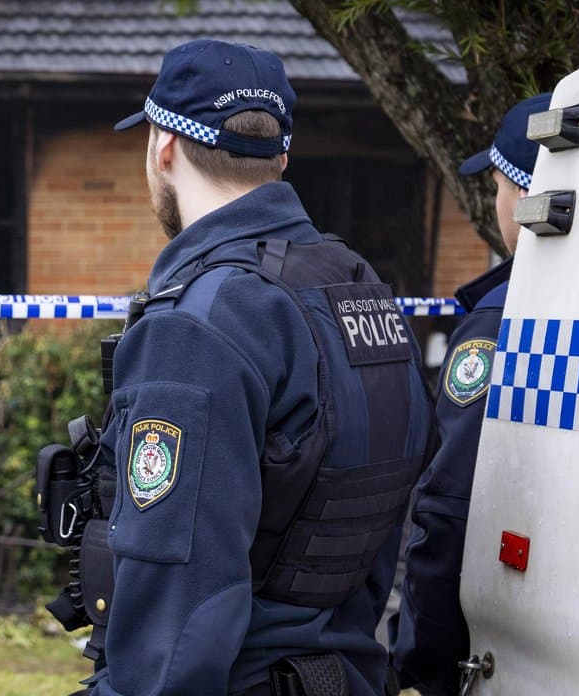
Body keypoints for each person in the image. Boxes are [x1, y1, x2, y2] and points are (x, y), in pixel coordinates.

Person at [85, 39, 434, 696]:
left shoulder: (197, 325)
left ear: (162, 147)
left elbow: (174, 612)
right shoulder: (360, 291)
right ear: (280, 155)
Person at [389, 92, 550, 696]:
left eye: (500, 186)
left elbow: (449, 503)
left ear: (522, 194)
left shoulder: (499, 322)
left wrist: (418, 657)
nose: (496, 203)